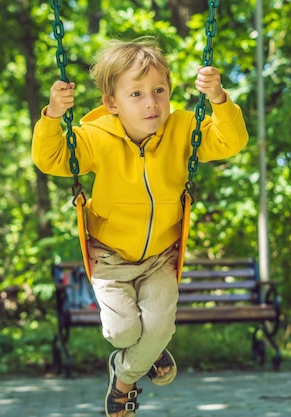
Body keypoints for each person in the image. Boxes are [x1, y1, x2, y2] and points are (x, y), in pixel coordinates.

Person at [32, 37, 248, 417]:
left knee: (161, 326)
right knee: (123, 334)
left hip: (160, 256)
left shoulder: (183, 129)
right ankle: (144, 351)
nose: (151, 102)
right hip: (110, 257)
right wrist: (52, 116)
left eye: (159, 91)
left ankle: (125, 378)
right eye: (136, 93)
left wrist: (218, 100)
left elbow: (231, 141)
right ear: (112, 103)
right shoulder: (96, 138)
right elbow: (50, 159)